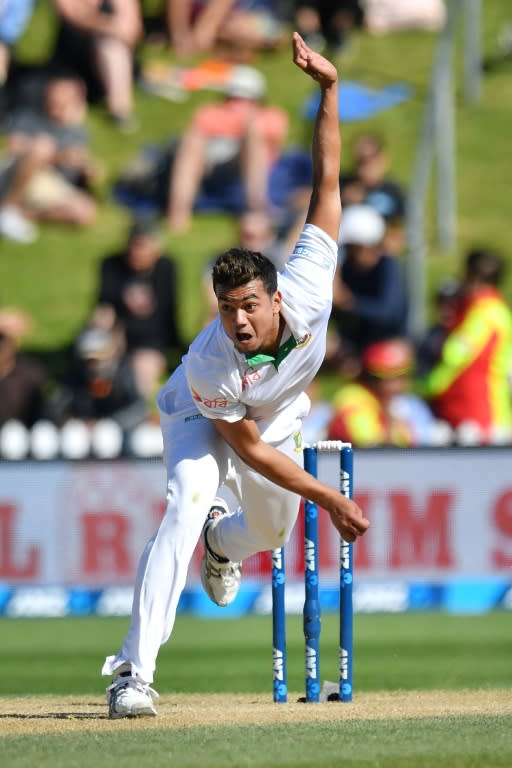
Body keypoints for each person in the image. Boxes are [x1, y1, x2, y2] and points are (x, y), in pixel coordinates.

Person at [102, 32, 370, 719]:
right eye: (227, 309)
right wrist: (331, 500)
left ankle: (224, 545)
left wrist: (330, 91)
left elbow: (328, 183)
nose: (240, 321)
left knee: (271, 533)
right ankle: (135, 674)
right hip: (205, 414)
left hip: (277, 413)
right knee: (189, 498)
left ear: (275, 298)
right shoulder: (212, 359)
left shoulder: (308, 283)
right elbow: (243, 447)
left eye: (249, 306)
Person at [166, 67, 289, 232]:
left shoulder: (271, 115)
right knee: (192, 141)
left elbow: (274, 134)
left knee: (253, 134)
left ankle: (255, 207)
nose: (237, 105)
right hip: (211, 167)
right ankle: (179, 212)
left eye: (244, 100)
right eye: (233, 99)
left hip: (247, 167)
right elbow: (201, 126)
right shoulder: (210, 111)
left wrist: (241, 124)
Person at [419, 248, 512, 444]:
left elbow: (454, 354)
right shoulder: (495, 311)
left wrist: (429, 386)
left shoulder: (484, 312)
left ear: (473, 277)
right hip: (471, 413)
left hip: (478, 416)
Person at [91, 216, 183, 400]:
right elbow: (104, 306)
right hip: (115, 335)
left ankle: (133, 412)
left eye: (143, 246)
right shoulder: (111, 265)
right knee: (97, 361)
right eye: (134, 245)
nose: (137, 252)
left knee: (142, 374)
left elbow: (165, 317)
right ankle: (96, 403)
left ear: (156, 248)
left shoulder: (166, 268)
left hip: (150, 341)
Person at [0, 74, 97, 243]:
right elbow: (12, 145)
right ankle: (8, 208)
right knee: (41, 150)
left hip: (51, 184)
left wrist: (87, 170)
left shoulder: (77, 132)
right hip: (16, 175)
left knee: (86, 211)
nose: (55, 104)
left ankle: (22, 215)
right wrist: (56, 157)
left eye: (62, 100)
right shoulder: (29, 117)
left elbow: (80, 165)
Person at [328, 203, 409, 376]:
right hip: (357, 341)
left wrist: (349, 303)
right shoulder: (347, 268)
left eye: (353, 247)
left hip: (388, 340)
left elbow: (388, 312)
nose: (348, 253)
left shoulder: (387, 266)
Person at [51, 0, 143, 131]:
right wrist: (109, 25)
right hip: (73, 59)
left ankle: (120, 110)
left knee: (110, 49)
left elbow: (132, 30)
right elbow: (72, 15)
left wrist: (117, 30)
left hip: (113, 59)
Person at [327, 337, 433, 446]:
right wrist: (391, 423)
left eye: (401, 376)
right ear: (371, 378)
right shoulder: (353, 397)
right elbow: (368, 442)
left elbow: (424, 439)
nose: (395, 385)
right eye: (387, 378)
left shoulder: (410, 402)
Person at [164, 0, 287, 59]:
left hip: (243, 14)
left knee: (251, 33)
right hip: (208, 19)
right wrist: (180, 36)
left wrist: (205, 30)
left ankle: (226, 47)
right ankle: (226, 47)